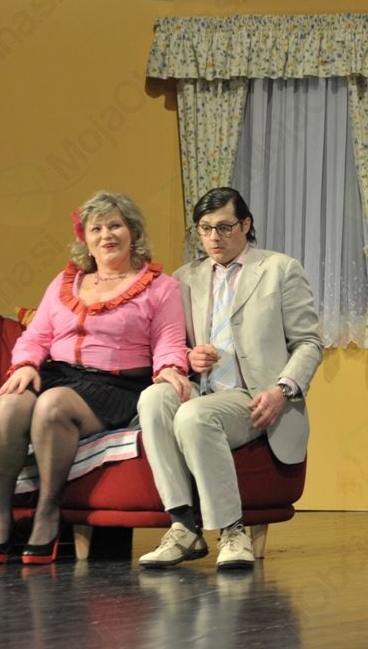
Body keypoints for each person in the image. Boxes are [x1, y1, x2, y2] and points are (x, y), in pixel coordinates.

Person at [0, 192, 189, 565]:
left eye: (115, 225)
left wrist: (170, 368)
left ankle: (48, 511)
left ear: (133, 232)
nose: (106, 235)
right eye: (97, 228)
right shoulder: (66, 282)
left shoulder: (160, 287)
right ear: (86, 240)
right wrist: (26, 364)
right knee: (9, 405)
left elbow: (169, 341)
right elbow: (36, 336)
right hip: (59, 373)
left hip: (115, 385)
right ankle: (1, 514)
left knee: (52, 405)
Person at [137, 187, 323, 570]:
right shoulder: (184, 278)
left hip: (255, 396)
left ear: (246, 224)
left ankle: (232, 531)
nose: (213, 238)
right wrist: (188, 357)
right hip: (203, 388)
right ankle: (183, 527)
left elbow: (309, 343)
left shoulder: (279, 269)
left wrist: (282, 390)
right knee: (153, 399)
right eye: (205, 229)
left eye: (224, 227)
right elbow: (171, 343)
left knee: (195, 416)